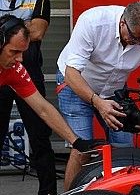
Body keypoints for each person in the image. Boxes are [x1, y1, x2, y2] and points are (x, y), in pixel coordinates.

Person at [56, 1, 140, 190]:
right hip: (75, 82)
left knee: (124, 149)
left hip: (113, 88)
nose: (138, 43)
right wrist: (97, 102)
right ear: (123, 22)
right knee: (83, 147)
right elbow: (71, 73)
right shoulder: (92, 22)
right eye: (134, 37)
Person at [0, 16, 102, 164]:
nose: (20, 59)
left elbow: (43, 109)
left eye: (22, 52)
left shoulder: (15, 69)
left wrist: (77, 142)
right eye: (14, 52)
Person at [0, 0, 57, 195]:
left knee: (40, 137)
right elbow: (27, 29)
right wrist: (20, 24)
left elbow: (36, 32)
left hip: (29, 74)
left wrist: (5, 27)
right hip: (1, 76)